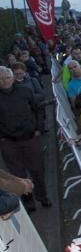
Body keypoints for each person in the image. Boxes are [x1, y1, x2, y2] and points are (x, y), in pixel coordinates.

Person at [0, 66, 49, 211]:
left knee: (37, 170)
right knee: (17, 174)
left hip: (30, 138)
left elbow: (38, 108)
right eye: (1, 79)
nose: (5, 81)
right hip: (8, 141)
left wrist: (39, 128)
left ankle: (43, 196)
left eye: (7, 78)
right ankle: (28, 202)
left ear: (13, 78)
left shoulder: (25, 90)